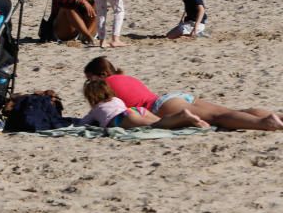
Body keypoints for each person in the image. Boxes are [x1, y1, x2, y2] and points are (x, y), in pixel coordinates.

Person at [84, 56, 283, 131]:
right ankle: (274, 116)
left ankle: (264, 124)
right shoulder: (126, 77)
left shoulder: (105, 85)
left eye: (89, 78)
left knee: (219, 118)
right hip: (173, 97)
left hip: (161, 106)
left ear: (100, 74)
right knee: (230, 112)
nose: (88, 83)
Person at [81, 79, 209, 129]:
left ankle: (183, 116)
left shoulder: (96, 109)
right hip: (135, 110)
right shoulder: (116, 100)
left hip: (122, 118)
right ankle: (189, 122)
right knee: (162, 121)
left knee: (156, 125)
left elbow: (84, 123)